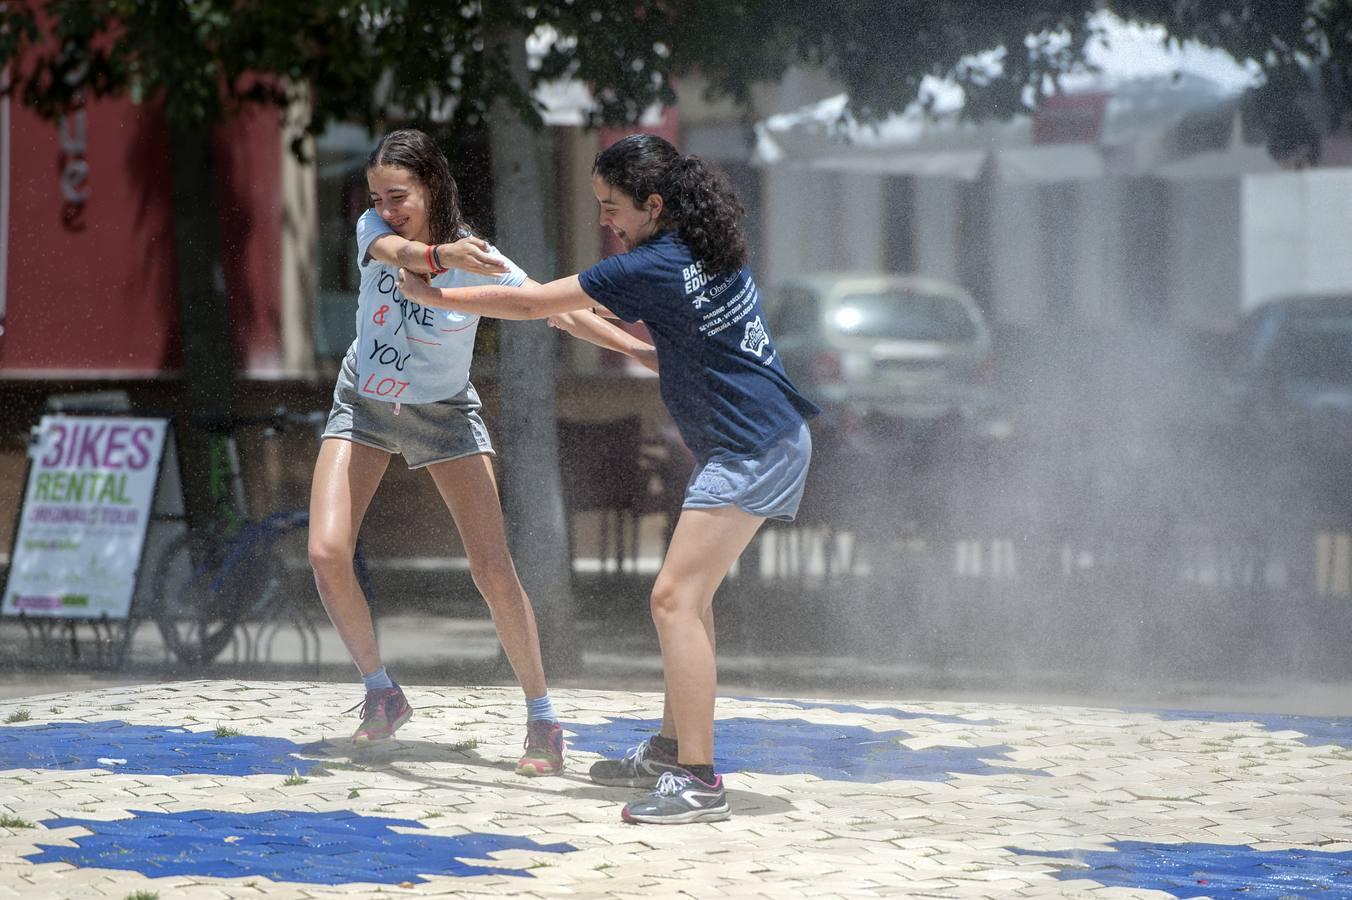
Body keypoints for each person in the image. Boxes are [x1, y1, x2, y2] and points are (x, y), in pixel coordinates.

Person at [397, 133, 819, 823]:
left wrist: (440, 296)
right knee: (690, 597)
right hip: (756, 440)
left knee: (673, 599)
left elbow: (537, 305)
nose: (604, 220)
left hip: (756, 447)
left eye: (612, 205)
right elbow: (584, 314)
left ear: (653, 204)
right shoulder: (702, 245)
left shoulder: (652, 264)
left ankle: (699, 781)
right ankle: (671, 749)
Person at [309, 128, 648, 774]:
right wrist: (432, 250)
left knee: (492, 567)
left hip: (443, 415)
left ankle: (543, 719)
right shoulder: (373, 232)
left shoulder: (477, 256)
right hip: (365, 404)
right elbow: (393, 249)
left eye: (399, 195)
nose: (386, 207)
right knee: (326, 552)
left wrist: (637, 350)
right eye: (378, 195)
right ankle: (382, 693)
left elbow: (552, 308)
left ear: (431, 185)